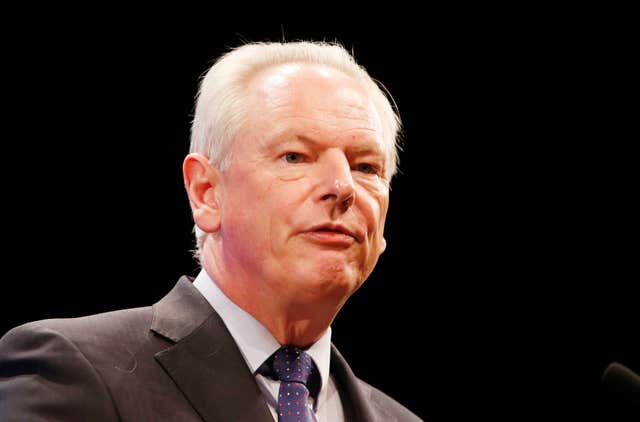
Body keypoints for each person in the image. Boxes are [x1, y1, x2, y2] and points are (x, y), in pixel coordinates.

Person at [0, 41, 422, 421]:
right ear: (206, 192)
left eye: (366, 167)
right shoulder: (72, 371)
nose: (342, 187)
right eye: (295, 157)